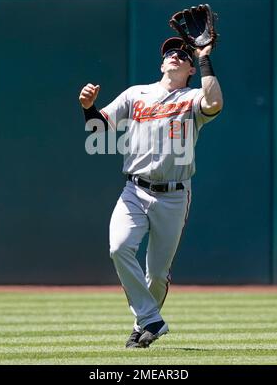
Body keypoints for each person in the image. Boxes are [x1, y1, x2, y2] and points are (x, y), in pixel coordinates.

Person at [79, 36, 223, 348]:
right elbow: (98, 126)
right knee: (119, 247)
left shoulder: (193, 97)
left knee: (157, 274)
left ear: (190, 70)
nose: (176, 56)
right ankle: (151, 320)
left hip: (173, 195)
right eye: (171, 52)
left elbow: (215, 103)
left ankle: (141, 327)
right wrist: (88, 107)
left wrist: (204, 58)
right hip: (134, 189)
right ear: (161, 63)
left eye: (183, 56)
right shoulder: (135, 95)